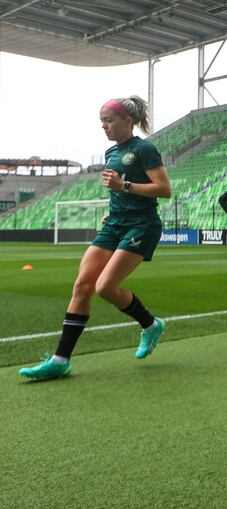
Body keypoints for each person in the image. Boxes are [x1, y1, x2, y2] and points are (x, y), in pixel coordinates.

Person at [19, 96, 171, 380]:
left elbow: (163, 189)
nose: (104, 126)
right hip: (114, 224)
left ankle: (150, 325)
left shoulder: (145, 149)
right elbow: (117, 192)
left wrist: (123, 185)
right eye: (101, 121)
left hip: (141, 226)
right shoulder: (110, 153)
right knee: (82, 285)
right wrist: (114, 208)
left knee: (105, 287)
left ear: (128, 120)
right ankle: (60, 359)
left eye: (109, 120)